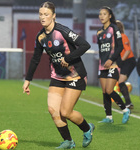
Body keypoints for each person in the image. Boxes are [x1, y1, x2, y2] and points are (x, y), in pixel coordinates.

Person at [22, 1, 94, 149]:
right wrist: (27, 79)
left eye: (46, 14)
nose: (42, 17)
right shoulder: (40, 37)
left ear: (53, 16)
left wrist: (67, 59)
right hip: (57, 77)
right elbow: (35, 59)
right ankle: (68, 141)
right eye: (41, 14)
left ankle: (87, 129)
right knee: (53, 109)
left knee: (66, 112)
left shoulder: (63, 31)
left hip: (76, 75)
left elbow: (85, 45)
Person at [97, 6, 130, 124]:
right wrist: (102, 62)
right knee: (105, 91)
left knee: (110, 90)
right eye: (100, 14)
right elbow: (101, 50)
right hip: (102, 66)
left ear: (110, 16)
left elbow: (120, 47)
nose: (101, 16)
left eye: (104, 14)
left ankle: (125, 110)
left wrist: (111, 59)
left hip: (113, 64)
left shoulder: (114, 29)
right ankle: (109, 117)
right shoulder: (99, 32)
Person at [116, 20, 136, 109]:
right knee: (120, 82)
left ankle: (128, 103)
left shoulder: (123, 36)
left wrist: (121, 60)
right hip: (124, 61)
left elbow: (127, 50)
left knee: (121, 82)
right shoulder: (116, 38)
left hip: (128, 61)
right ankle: (128, 102)